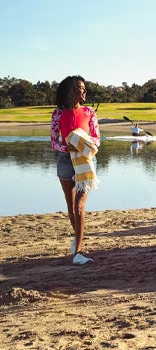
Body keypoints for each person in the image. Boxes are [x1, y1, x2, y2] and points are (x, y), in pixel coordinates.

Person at [50, 75, 100, 266]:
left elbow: (97, 139)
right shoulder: (57, 114)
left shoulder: (90, 112)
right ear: (71, 90)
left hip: (85, 161)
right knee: (71, 208)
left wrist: (82, 143)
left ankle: (78, 252)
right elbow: (54, 141)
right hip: (65, 161)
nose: (85, 91)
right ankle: (77, 239)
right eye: (81, 88)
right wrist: (67, 148)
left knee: (79, 206)